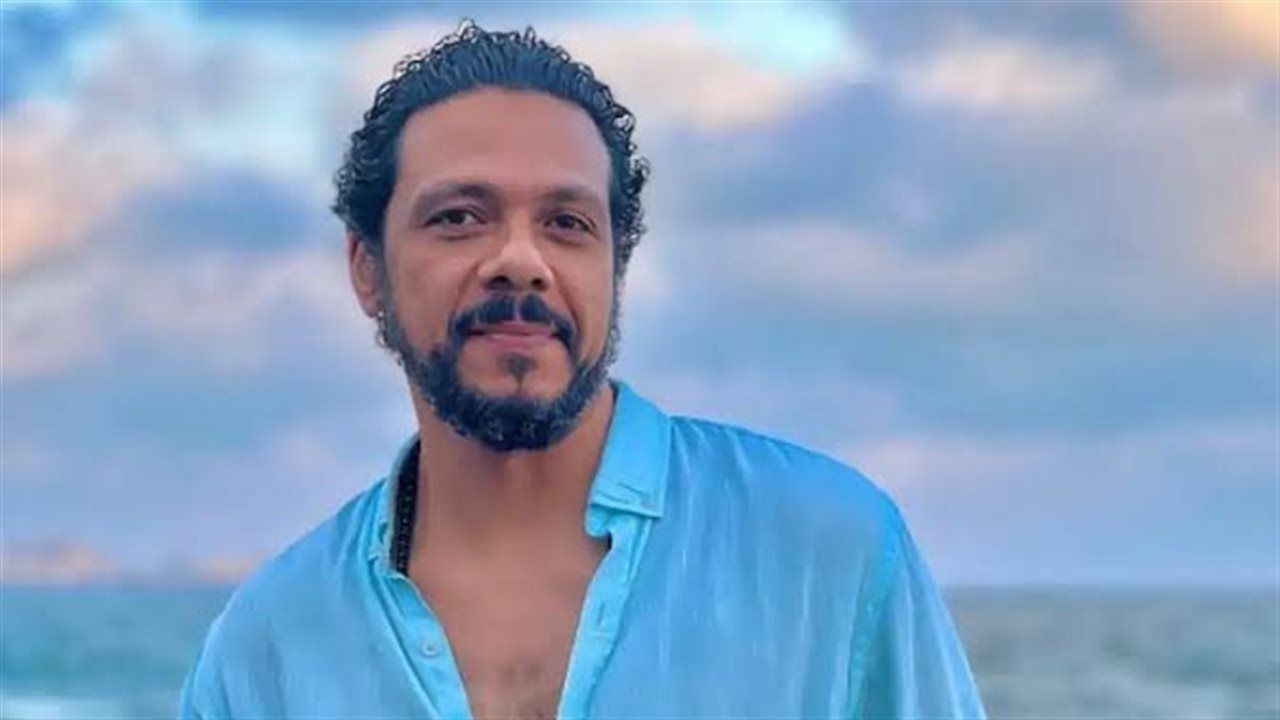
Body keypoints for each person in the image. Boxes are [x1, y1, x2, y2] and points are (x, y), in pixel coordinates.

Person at [178, 21, 987, 720]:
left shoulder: (830, 553)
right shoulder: (268, 647)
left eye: (567, 223)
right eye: (459, 217)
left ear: (615, 269)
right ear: (367, 268)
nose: (520, 260)